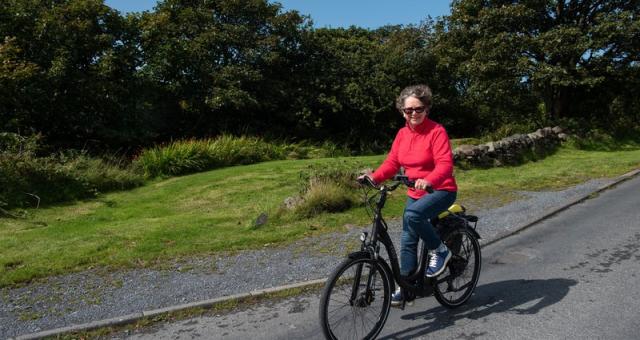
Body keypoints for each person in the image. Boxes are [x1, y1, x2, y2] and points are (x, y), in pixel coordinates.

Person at [359, 84, 458, 306]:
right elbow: (393, 162)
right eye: (408, 110)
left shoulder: (436, 131)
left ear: (427, 108)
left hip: (441, 190)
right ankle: (406, 287)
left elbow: (444, 165)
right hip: (416, 192)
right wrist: (374, 177)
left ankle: (440, 251)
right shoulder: (402, 134)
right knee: (407, 240)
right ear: (402, 111)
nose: (413, 113)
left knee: (413, 215)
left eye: (418, 109)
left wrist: (429, 180)